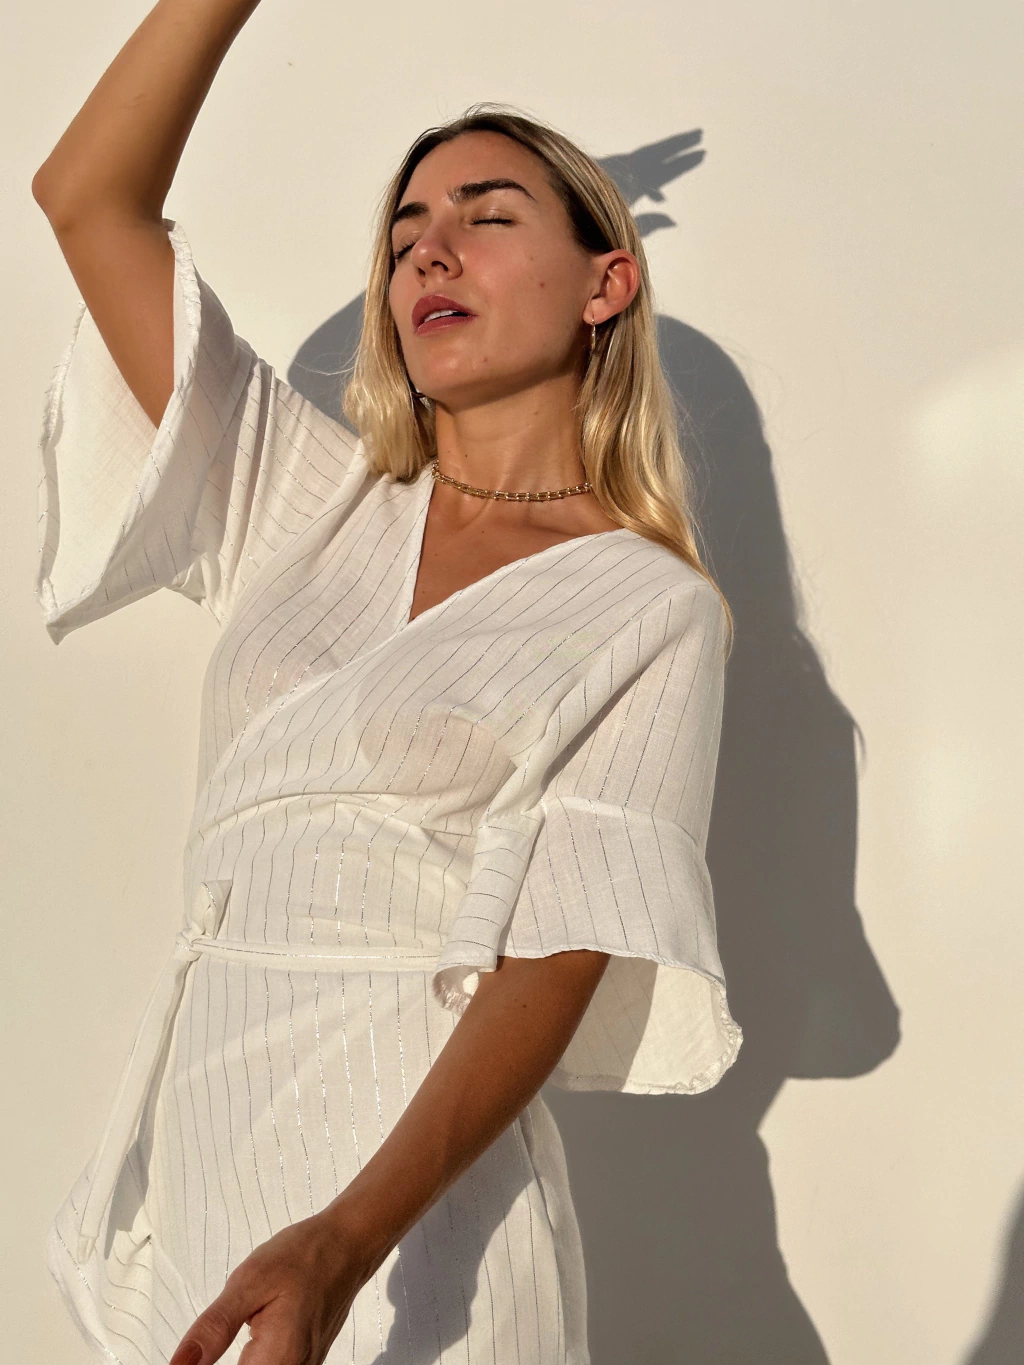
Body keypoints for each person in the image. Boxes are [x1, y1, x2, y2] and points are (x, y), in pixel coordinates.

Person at [31, 2, 743, 1361]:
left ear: (606, 283)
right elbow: (89, 200)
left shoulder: (647, 606)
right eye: (408, 227)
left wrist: (344, 1243)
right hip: (203, 1172)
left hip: (416, 1239)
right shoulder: (309, 504)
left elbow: (554, 955)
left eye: (489, 214)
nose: (430, 246)